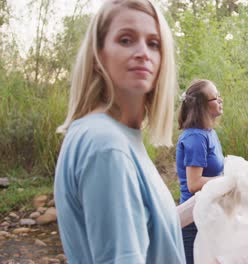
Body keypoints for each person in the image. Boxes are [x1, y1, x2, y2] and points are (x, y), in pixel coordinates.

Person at [53, 0, 185, 263]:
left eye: (153, 44)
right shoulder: (106, 145)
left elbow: (146, 229)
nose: (143, 52)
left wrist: (205, 204)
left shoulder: (114, 136)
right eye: (126, 40)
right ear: (98, 54)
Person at [176, 79, 224, 264]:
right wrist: (229, 180)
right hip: (193, 220)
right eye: (215, 97)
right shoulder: (195, 137)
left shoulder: (208, 132)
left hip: (208, 215)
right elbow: (194, 183)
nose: (220, 100)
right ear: (202, 105)